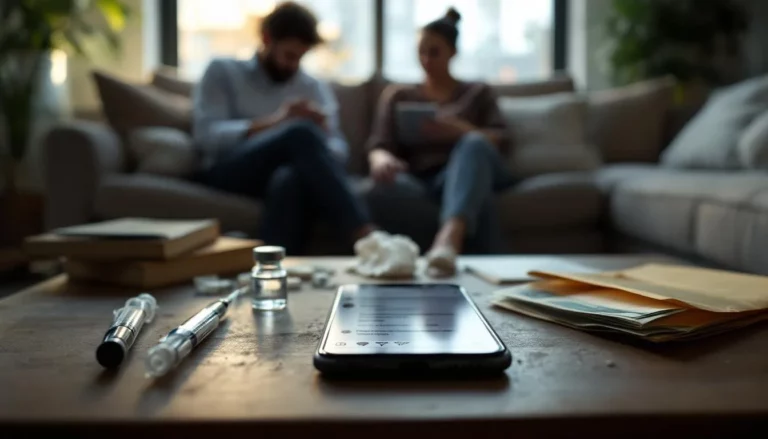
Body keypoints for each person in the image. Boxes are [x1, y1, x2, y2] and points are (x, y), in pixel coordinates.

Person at [193, 2, 375, 255]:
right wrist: (279, 121)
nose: (294, 65)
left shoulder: (312, 87)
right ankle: (362, 234)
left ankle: (278, 270)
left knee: (290, 178)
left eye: (300, 57)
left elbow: (339, 152)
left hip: (290, 172)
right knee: (299, 133)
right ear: (267, 39)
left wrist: (321, 136)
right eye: (289, 55)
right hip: (231, 170)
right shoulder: (223, 71)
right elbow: (206, 137)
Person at [366, 7, 515, 276]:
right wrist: (381, 159)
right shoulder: (399, 95)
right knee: (382, 188)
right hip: (422, 179)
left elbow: (502, 141)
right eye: (421, 52)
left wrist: (460, 130)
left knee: (473, 143)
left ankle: (449, 238)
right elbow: (379, 144)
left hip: (470, 168)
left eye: (434, 52)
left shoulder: (477, 92)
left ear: (453, 52)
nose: (426, 60)